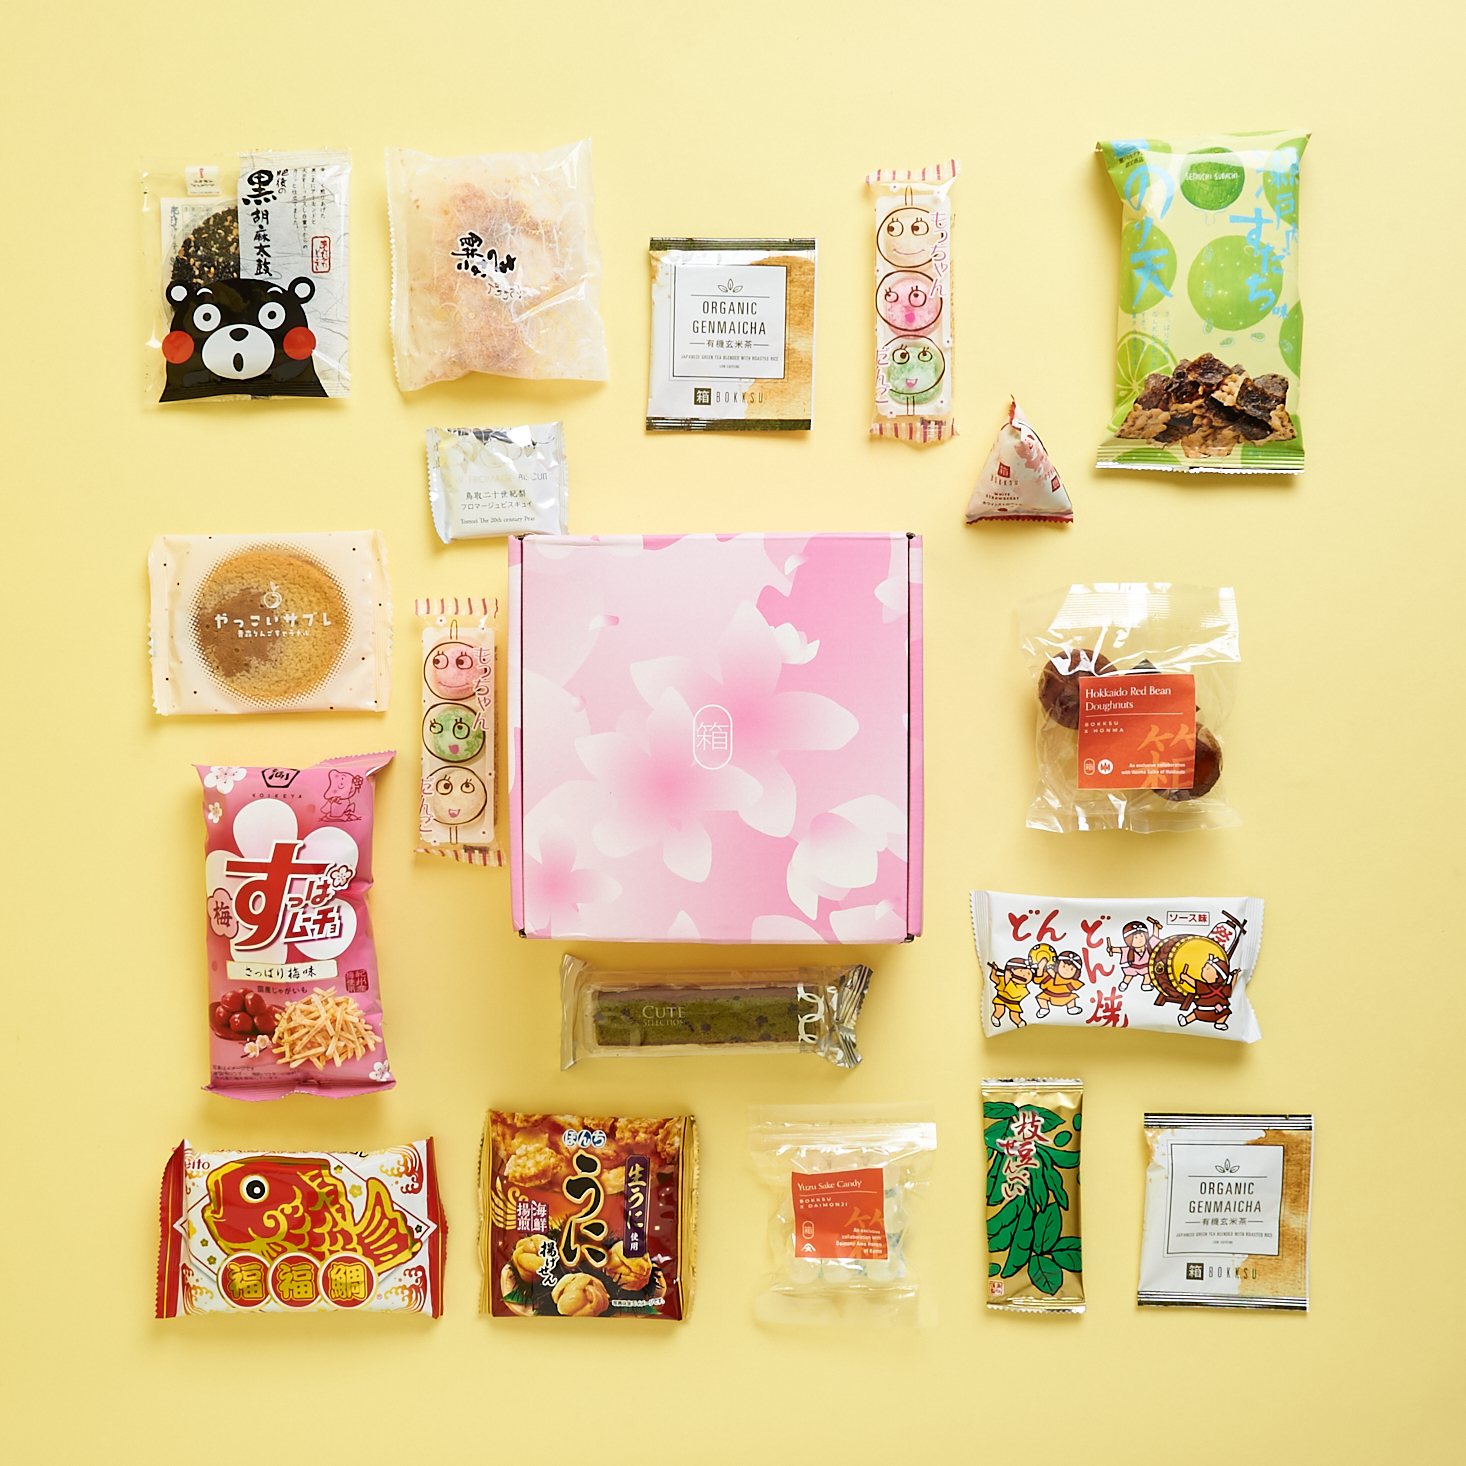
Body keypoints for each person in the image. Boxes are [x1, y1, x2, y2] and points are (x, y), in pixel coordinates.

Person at [1030, 944, 1083, 1018]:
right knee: (1041, 998)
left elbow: (1070, 986)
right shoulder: (1049, 975)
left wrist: (1054, 975)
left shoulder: (1072, 981)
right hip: (1048, 995)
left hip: (1065, 996)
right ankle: (1044, 1008)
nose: (1066, 970)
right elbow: (1038, 980)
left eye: (1071, 969)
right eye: (1064, 966)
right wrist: (1040, 968)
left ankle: (1071, 1008)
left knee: (1071, 999)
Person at [989, 959, 1032, 1029]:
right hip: (1001, 999)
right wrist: (994, 971)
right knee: (1000, 1010)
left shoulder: (1023, 988)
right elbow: (994, 978)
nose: (1024, 975)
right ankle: (995, 1017)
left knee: (1014, 1016)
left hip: (1014, 1003)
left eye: (1028, 973)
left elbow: (1012, 993)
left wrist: (1007, 980)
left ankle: (1020, 1023)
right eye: (1021, 971)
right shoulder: (1003, 979)